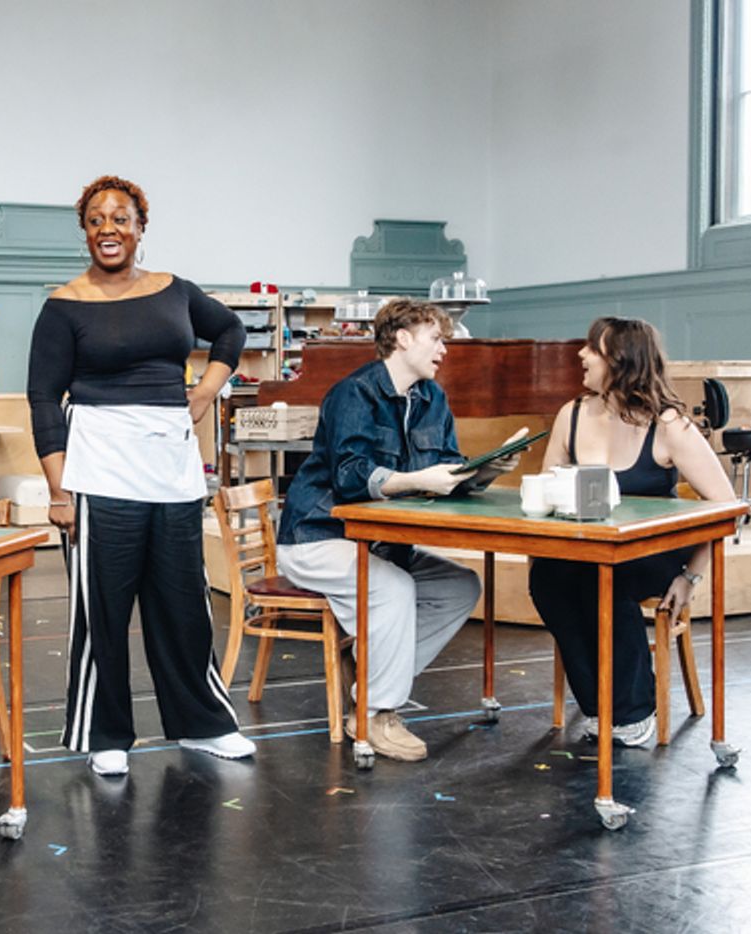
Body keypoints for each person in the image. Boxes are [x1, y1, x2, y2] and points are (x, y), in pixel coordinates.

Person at [26, 174, 255, 777]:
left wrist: (207, 390)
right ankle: (106, 734)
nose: (109, 228)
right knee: (103, 610)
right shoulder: (63, 305)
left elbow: (231, 329)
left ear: (140, 227)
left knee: (184, 604)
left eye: (121, 217)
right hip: (100, 472)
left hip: (173, 470)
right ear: (85, 231)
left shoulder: (175, 291)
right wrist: (58, 490)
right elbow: (44, 399)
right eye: (97, 219)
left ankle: (204, 724)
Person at [276, 298, 523, 762]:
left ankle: (367, 675)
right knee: (393, 590)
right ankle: (375, 712)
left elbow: (446, 472)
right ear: (403, 338)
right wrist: (416, 481)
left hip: (380, 544)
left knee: (460, 586)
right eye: (436, 339)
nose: (444, 350)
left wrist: (486, 473)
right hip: (318, 536)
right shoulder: (354, 394)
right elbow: (351, 476)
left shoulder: (433, 399)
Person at [528, 317, 735, 746]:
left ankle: (634, 710)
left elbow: (726, 507)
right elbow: (546, 489)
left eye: (593, 349)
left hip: (650, 555)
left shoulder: (670, 424)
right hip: (590, 549)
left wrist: (691, 576)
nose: (580, 355)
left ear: (621, 360)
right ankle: (598, 706)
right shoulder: (573, 414)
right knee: (547, 578)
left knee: (603, 578)